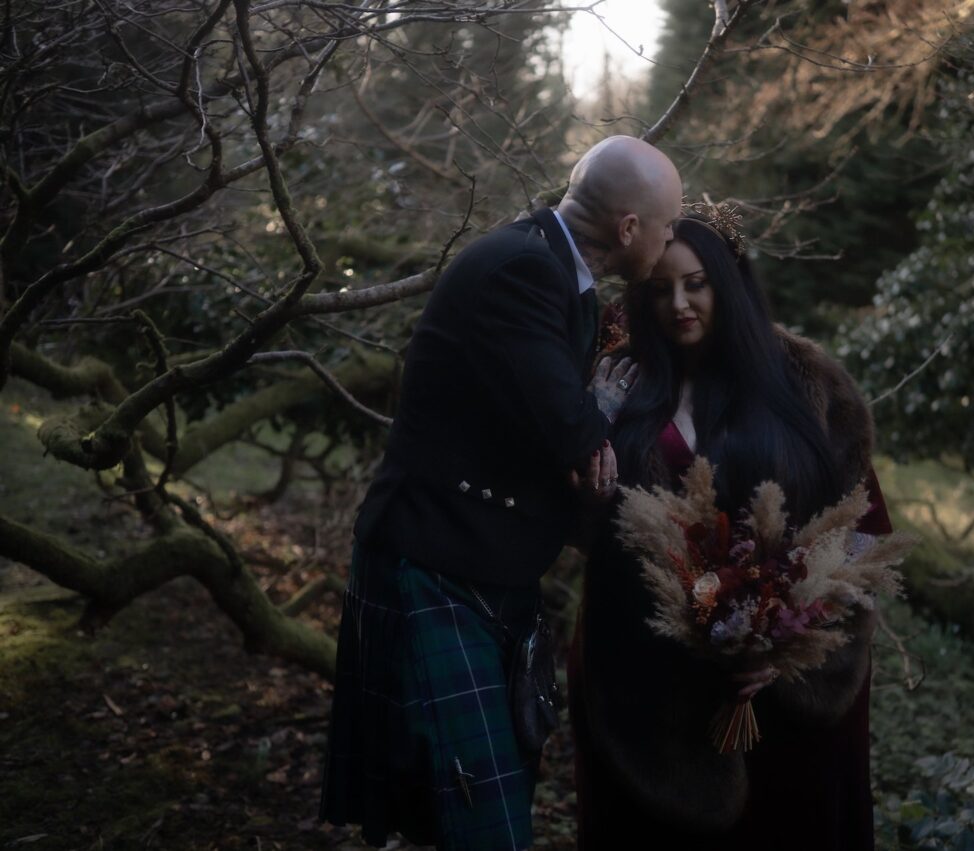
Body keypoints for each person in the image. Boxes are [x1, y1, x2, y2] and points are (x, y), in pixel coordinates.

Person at [320, 135, 683, 850]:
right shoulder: (524, 268)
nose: (672, 240)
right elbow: (571, 431)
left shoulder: (554, 271)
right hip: (435, 561)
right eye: (668, 224)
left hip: (482, 564)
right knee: (481, 822)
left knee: (481, 806)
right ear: (629, 228)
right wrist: (596, 417)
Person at [568, 210, 893, 849]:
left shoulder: (808, 385)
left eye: (697, 284)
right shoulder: (622, 388)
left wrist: (790, 639)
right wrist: (590, 454)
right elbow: (586, 536)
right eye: (660, 290)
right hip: (651, 696)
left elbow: (863, 530)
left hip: (791, 701)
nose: (679, 305)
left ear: (730, 284)